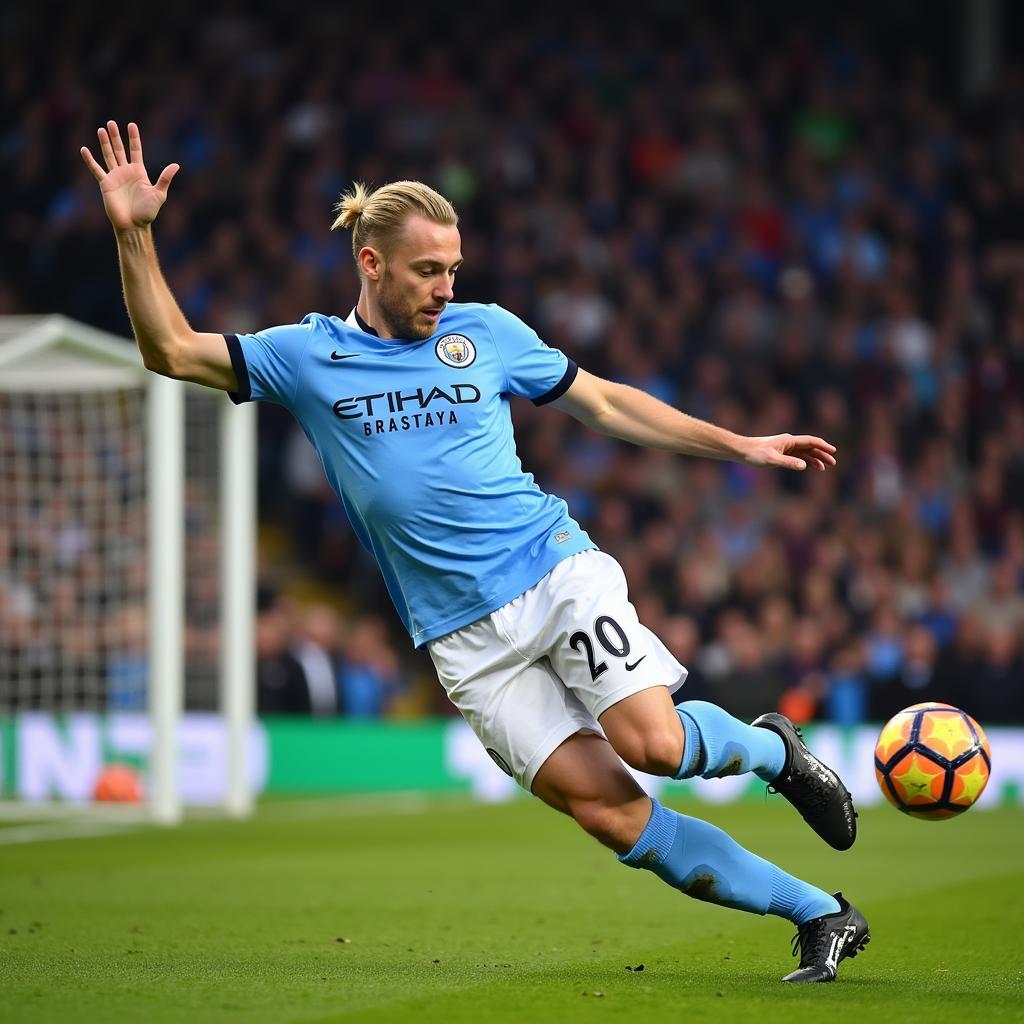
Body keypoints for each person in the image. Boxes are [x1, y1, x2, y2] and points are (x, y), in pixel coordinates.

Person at [81, 121, 868, 983]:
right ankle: (820, 914)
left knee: (653, 745)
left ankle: (774, 751)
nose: (445, 289)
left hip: (552, 572)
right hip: (460, 638)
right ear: (371, 263)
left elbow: (603, 404)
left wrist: (740, 445)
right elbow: (169, 351)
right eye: (427, 270)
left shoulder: (485, 332)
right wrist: (134, 232)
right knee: (610, 815)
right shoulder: (307, 356)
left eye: (453, 268)